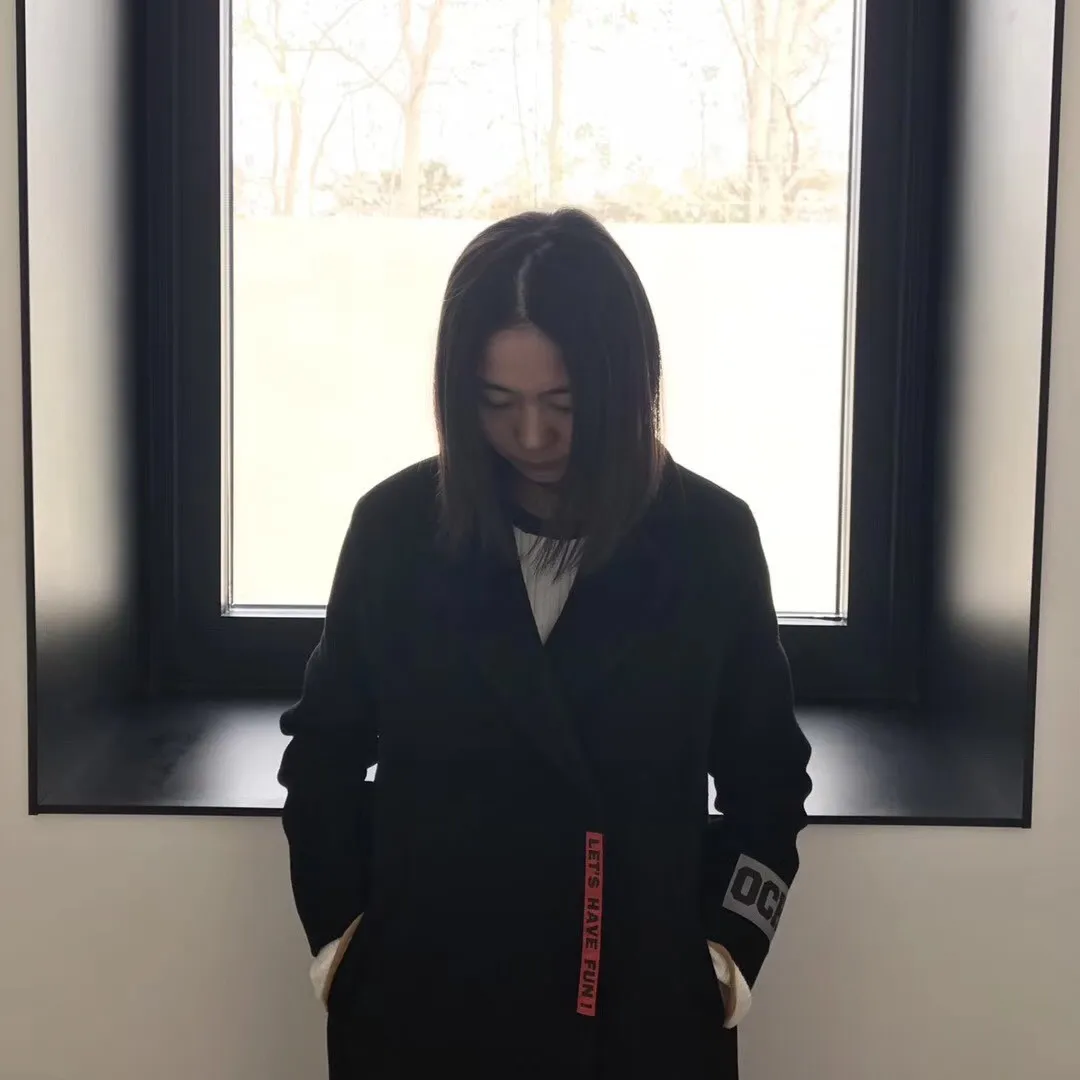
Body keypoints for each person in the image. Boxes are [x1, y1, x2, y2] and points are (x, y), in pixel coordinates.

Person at [278, 208, 812, 1080]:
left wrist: (727, 956)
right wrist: (339, 944)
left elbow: (771, 778)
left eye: (564, 403)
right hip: (423, 1010)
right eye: (497, 402)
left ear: (628, 382)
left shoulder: (710, 539)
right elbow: (321, 753)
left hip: (639, 1016)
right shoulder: (396, 530)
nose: (531, 436)